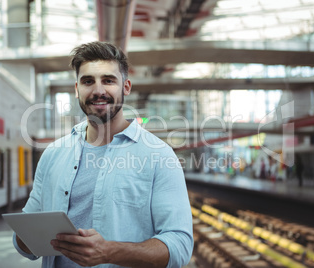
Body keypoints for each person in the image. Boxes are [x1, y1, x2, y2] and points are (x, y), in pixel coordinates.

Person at [13, 41, 194, 267]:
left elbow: (179, 246)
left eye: (108, 80)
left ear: (125, 87)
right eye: (88, 81)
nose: (98, 90)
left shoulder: (159, 156)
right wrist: (26, 238)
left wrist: (110, 252)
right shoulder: (53, 155)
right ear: (77, 89)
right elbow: (23, 241)